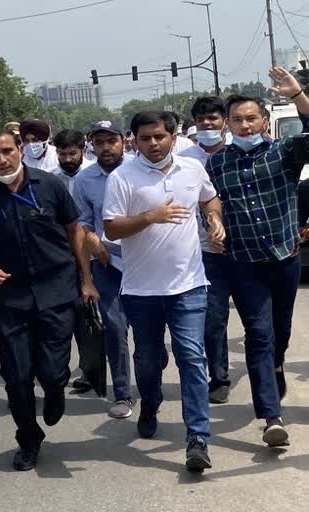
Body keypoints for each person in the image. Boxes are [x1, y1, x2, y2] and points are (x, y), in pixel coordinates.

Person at [0, 128, 98, 471]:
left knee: (54, 372)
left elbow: (75, 232)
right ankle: (28, 437)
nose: (2, 159)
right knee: (16, 375)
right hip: (11, 296)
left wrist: (86, 280)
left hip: (57, 289)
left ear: (20, 149)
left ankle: (55, 391)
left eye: (7, 151)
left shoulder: (49, 185)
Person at [103, 110, 225, 472]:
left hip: (188, 284)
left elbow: (209, 198)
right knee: (147, 358)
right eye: (145, 138)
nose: (154, 144)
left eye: (159, 136)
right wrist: (148, 217)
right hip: (141, 290)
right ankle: (151, 402)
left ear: (172, 136)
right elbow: (111, 229)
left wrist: (214, 218)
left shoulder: (191, 169)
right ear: (134, 140)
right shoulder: (123, 177)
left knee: (191, 356)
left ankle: (198, 438)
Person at [205, 67, 309, 447]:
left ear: (264, 120)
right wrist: (213, 220)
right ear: (227, 125)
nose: (245, 126)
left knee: (280, 331)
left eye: (251, 118)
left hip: (284, 258)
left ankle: (277, 365)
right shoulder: (217, 163)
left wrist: (298, 95)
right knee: (258, 334)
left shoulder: (286, 151)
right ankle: (271, 417)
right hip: (243, 263)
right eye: (237, 120)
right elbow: (209, 200)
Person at [71, 121, 135, 419]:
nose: (106, 147)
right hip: (106, 264)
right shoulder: (84, 181)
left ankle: (152, 367)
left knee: (149, 333)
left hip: (144, 263)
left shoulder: (139, 169)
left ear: (123, 141)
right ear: (91, 145)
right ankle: (122, 393)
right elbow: (82, 225)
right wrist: (87, 276)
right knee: (114, 327)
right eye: (99, 142)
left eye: (112, 141)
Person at [179, 96, 232, 404]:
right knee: (213, 319)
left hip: (246, 248)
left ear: (224, 120)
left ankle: (267, 367)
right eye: (202, 120)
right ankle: (219, 376)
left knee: (259, 321)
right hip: (205, 251)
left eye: (213, 118)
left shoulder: (239, 152)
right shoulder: (186, 159)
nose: (208, 124)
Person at [51, 129, 88, 193]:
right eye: (62, 154)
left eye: (72, 154)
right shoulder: (50, 177)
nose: (67, 159)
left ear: (83, 151)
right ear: (57, 152)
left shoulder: (94, 175)